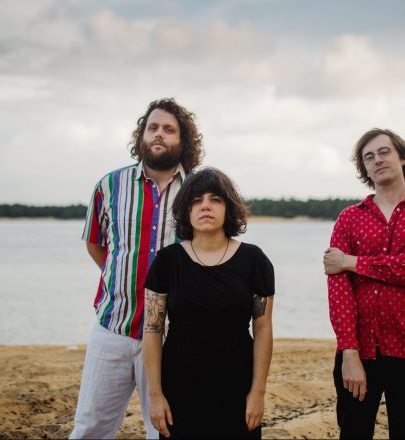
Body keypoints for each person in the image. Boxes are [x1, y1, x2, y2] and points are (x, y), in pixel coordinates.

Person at [71, 98, 204, 439]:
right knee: (90, 428)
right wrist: (123, 277)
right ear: (141, 135)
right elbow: (95, 244)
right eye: (152, 127)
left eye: (169, 129)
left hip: (172, 336)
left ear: (183, 140)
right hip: (113, 327)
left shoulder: (198, 192)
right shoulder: (109, 186)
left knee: (165, 431)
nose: (159, 134)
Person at [323, 128, 405, 439]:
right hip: (359, 352)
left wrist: (351, 261)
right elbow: (339, 290)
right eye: (368, 157)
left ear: (402, 157)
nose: (377, 160)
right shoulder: (349, 218)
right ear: (364, 169)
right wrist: (349, 352)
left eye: (384, 152)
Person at [142, 168, 275, 439]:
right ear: (186, 210)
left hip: (237, 385)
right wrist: (155, 396)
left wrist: (258, 392)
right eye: (196, 200)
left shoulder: (254, 260)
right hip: (179, 386)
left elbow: (263, 328)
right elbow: (152, 330)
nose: (205, 206)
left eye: (215, 199)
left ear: (229, 208)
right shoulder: (167, 261)